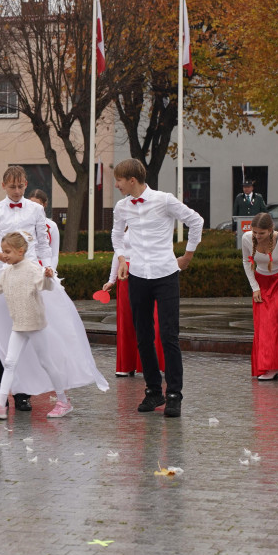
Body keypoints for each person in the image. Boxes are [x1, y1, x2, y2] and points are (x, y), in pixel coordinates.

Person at [111, 158, 204, 417]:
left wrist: (188, 255)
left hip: (166, 274)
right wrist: (121, 259)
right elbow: (116, 235)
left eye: (118, 180)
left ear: (132, 180)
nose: (116, 185)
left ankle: (174, 394)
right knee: (143, 336)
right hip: (138, 275)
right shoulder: (122, 207)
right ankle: (154, 391)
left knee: (169, 336)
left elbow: (196, 221)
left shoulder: (164, 200)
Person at [0, 233, 74, 419]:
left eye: (7, 251)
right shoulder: (7, 271)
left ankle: (63, 401)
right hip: (19, 325)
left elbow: (46, 286)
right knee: (10, 362)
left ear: (21, 251)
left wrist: (47, 276)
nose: (4, 255)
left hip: (35, 325)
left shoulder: (32, 269)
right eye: (3, 251)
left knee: (46, 363)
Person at [0, 166, 51, 411]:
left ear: (26, 184)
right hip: (3, 279)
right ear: (3, 186)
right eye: (12, 187)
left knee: (27, 335)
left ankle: (23, 393)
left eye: (21, 187)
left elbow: (43, 245)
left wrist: (48, 268)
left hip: (28, 279)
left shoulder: (37, 209)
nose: (17, 191)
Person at [242, 212, 278, 381]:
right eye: (255, 232)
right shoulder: (247, 238)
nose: (257, 236)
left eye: (262, 233)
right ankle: (274, 366)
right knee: (263, 325)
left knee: (276, 325)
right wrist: (255, 288)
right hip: (261, 283)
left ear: (270, 230)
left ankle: (273, 367)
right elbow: (246, 262)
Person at [100, 230, 165, 378]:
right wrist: (111, 280)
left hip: (148, 273)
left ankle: (155, 364)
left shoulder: (153, 224)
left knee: (152, 319)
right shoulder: (122, 227)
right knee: (127, 319)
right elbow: (117, 254)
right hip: (125, 275)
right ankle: (126, 365)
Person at [27, 189, 60, 271]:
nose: (35, 209)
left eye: (38, 205)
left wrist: (51, 270)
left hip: (45, 267)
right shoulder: (23, 224)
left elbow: (54, 254)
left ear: (44, 205)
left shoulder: (52, 226)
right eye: (32, 205)